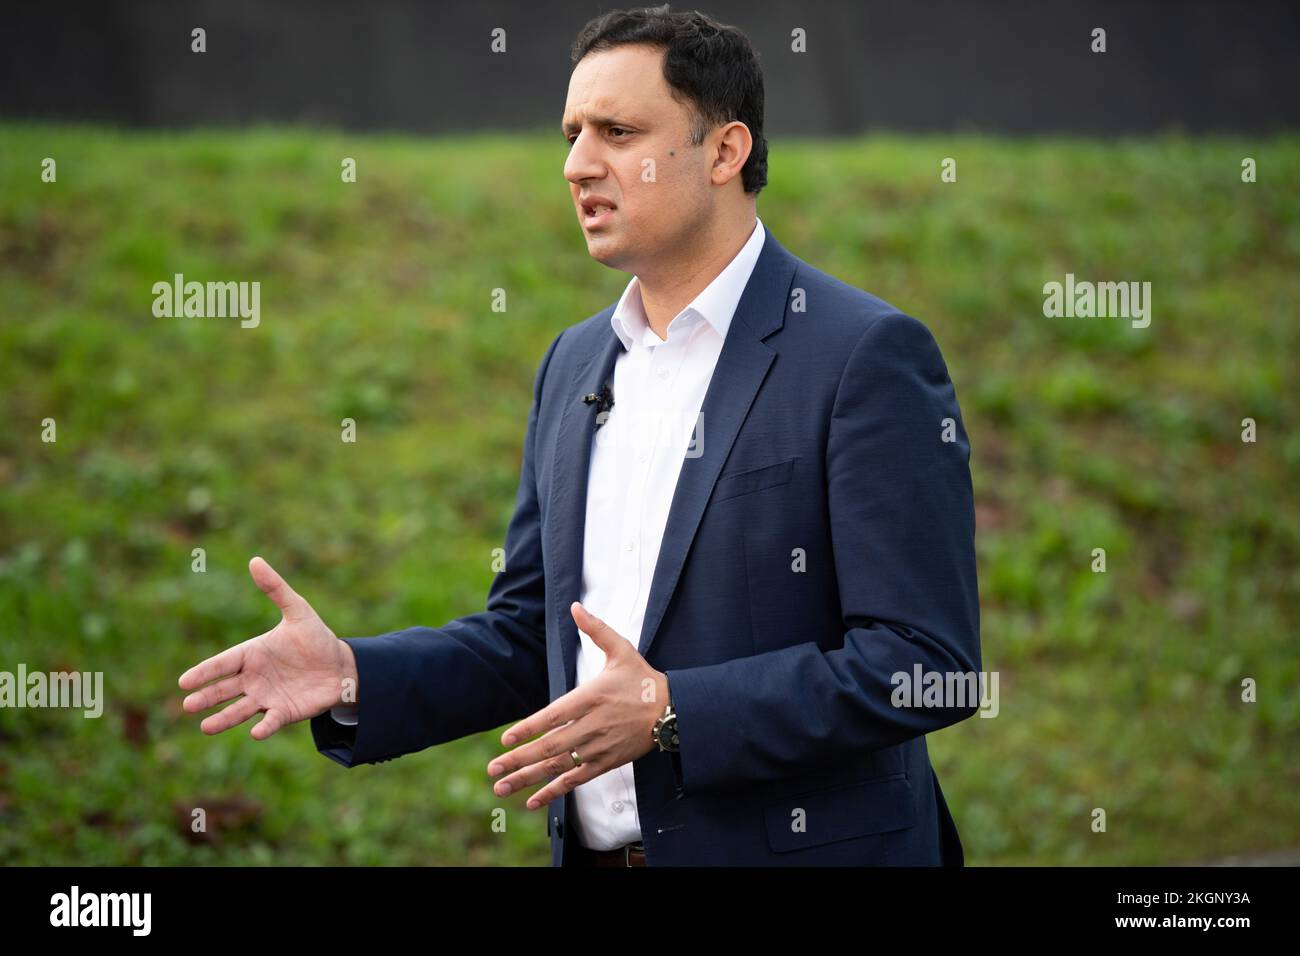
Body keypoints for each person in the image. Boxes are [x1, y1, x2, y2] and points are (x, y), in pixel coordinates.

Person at [178, 4, 981, 867]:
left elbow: (923, 661)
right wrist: (352, 674)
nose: (576, 165)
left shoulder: (865, 355)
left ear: (724, 151)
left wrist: (674, 710)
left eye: (617, 130)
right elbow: (533, 634)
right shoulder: (574, 363)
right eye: (570, 133)